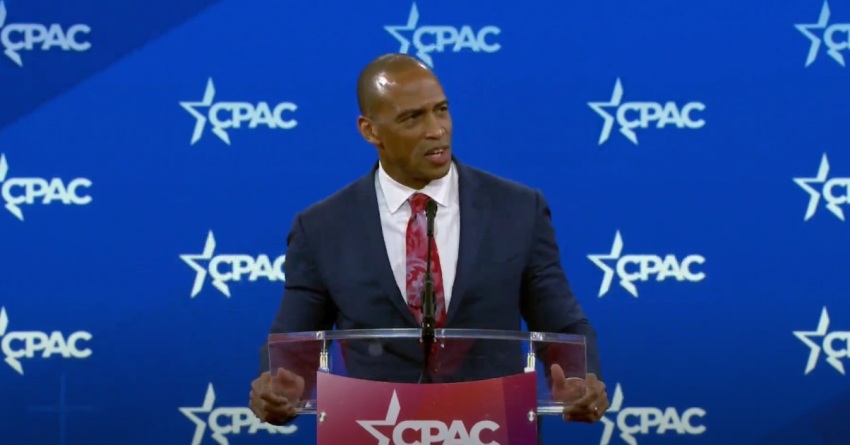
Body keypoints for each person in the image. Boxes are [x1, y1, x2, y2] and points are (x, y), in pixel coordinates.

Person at [249, 53, 609, 434]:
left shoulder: (518, 210)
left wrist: (577, 376)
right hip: (374, 431)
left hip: (490, 430)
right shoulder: (322, 227)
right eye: (412, 118)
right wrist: (279, 387)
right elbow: (294, 342)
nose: (436, 129)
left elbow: (562, 322)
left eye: (441, 110)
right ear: (370, 131)